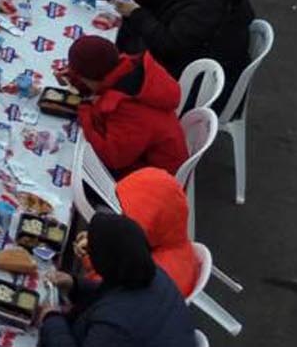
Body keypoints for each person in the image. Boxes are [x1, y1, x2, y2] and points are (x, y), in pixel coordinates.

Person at [38, 211, 195, 347]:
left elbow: (115, 312)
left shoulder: (114, 326)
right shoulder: (150, 272)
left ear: (105, 262)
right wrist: (74, 285)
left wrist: (52, 320)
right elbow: (112, 294)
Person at [63, 36, 188, 179]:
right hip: (145, 156)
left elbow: (113, 158)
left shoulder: (127, 109)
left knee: (72, 158)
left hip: (154, 181)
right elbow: (98, 84)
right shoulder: (128, 68)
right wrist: (75, 78)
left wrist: (84, 112)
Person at [115, 168, 203, 300]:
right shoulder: (174, 241)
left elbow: (102, 286)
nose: (119, 217)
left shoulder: (145, 274)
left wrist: (96, 252)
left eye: (125, 215)